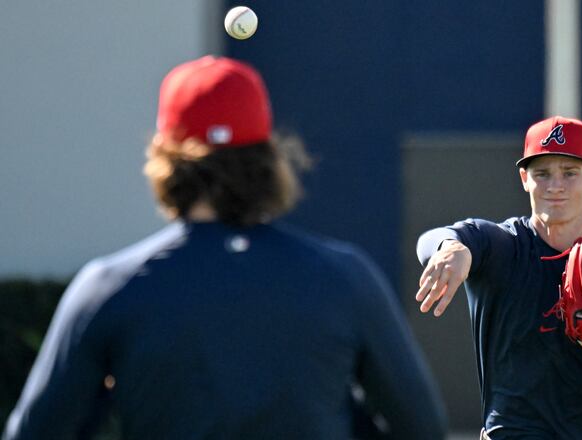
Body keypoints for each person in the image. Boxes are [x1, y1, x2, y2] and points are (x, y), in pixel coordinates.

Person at [3, 55, 446, 440]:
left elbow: (37, 433)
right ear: (270, 157)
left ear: (165, 157)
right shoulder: (346, 276)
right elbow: (422, 430)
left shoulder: (108, 288)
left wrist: (108, 397)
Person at [414, 116, 582, 439]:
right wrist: (451, 248)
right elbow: (435, 240)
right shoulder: (502, 251)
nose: (555, 186)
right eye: (542, 173)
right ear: (524, 178)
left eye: (570, 172)